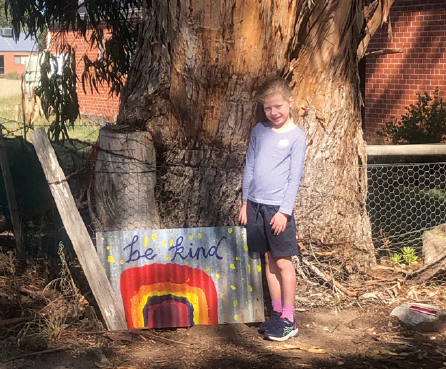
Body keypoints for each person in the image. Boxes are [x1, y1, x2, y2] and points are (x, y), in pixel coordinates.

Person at [239, 77, 306, 341]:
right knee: (268, 259)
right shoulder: (259, 131)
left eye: (278, 106)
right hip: (255, 205)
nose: (273, 113)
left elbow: (294, 177)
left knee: (282, 261)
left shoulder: (296, 137)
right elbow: (250, 166)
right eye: (268, 108)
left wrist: (284, 212)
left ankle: (290, 319)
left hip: (278, 210)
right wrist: (245, 202)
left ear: (290, 103)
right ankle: (277, 313)